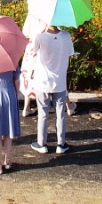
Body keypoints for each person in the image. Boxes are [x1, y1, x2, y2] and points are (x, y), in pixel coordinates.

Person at [27, 24, 74, 156]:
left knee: (43, 113)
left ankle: (41, 143)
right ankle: (61, 143)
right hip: (59, 81)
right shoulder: (66, 36)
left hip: (42, 81)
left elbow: (32, 51)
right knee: (61, 113)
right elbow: (70, 54)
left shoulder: (40, 36)